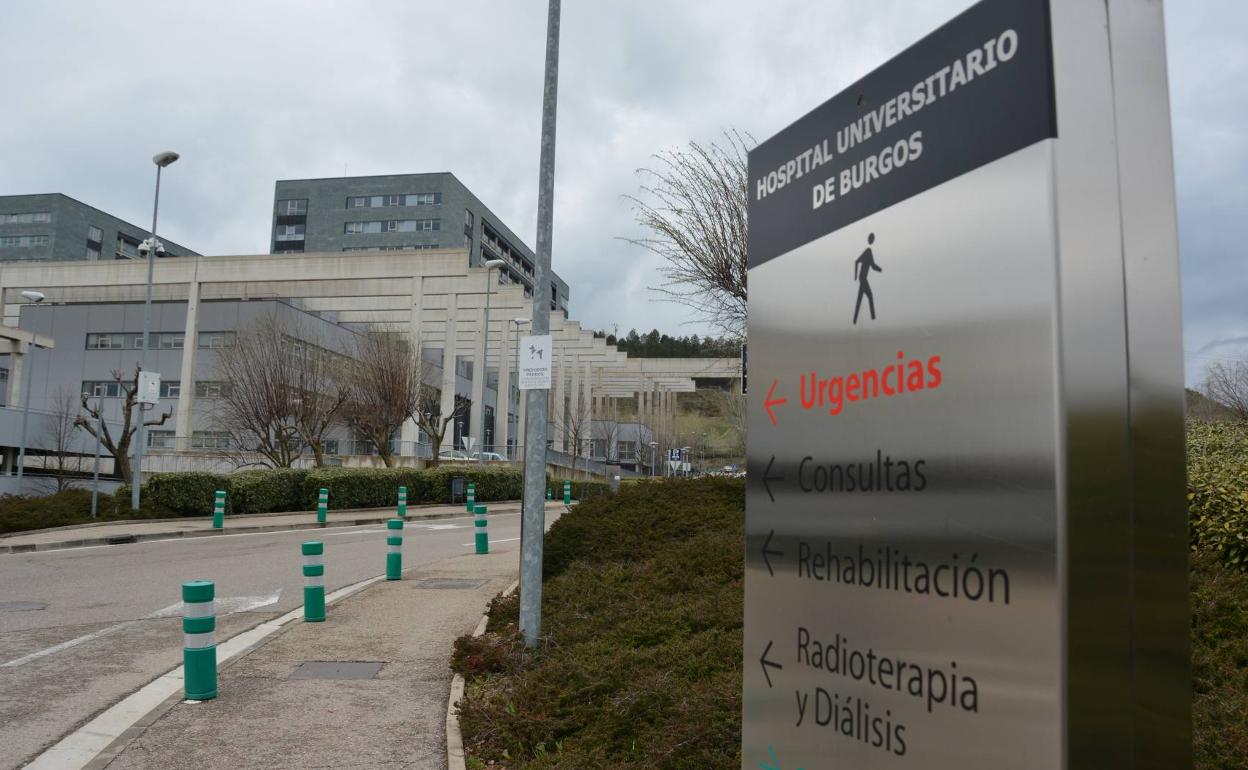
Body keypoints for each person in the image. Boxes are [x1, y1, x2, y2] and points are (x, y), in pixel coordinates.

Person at [853, 233, 882, 325]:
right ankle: (873, 317)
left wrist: (856, 277)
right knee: (869, 296)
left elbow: (857, 262)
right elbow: (872, 266)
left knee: (860, 299)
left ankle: (855, 320)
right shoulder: (868, 251)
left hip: (862, 278)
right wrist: (880, 269)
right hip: (863, 279)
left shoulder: (867, 251)